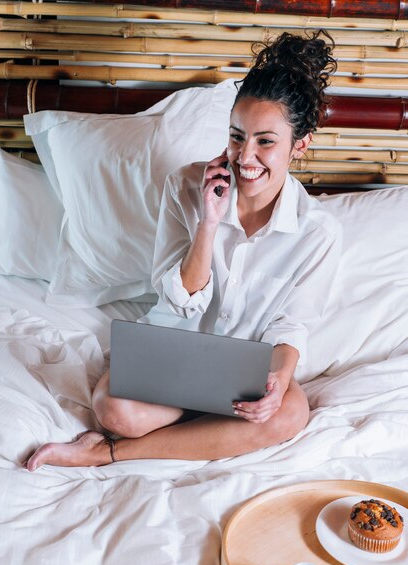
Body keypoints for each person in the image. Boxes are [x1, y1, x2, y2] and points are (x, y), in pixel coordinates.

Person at [25, 30, 341, 471]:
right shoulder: (187, 186)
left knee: (291, 413)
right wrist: (207, 224)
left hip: (243, 379)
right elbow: (179, 300)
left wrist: (278, 382)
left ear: (300, 145)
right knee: (114, 410)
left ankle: (110, 452)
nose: (245, 157)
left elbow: (292, 328)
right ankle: (197, 430)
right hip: (174, 357)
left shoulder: (318, 233)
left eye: (265, 141)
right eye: (237, 136)